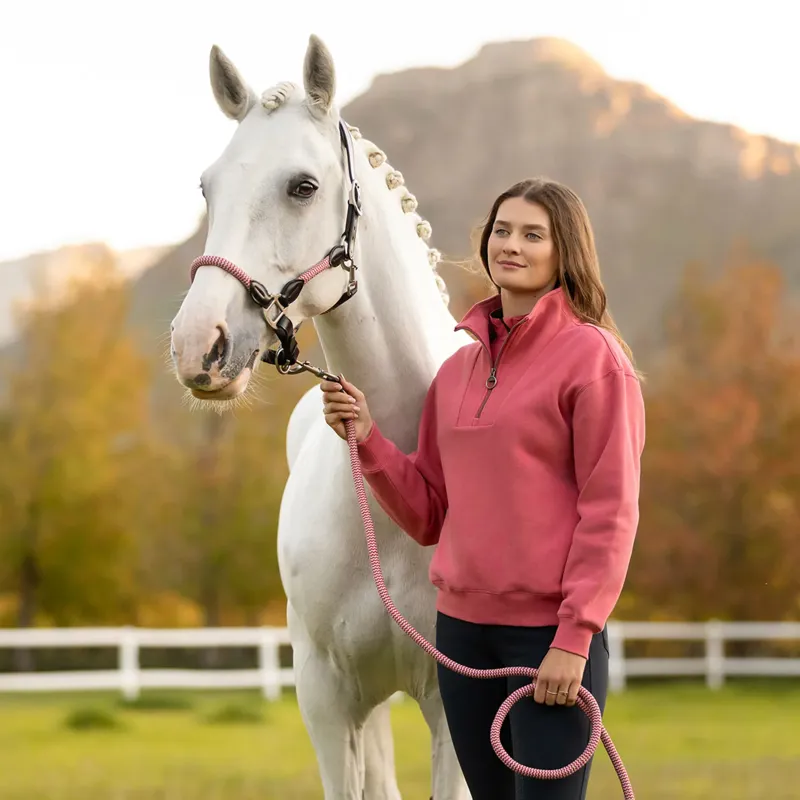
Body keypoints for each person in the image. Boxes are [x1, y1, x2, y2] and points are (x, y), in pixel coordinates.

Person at [319, 177, 646, 800]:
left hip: (546, 641)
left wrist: (574, 639)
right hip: (462, 637)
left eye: (532, 234)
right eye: (501, 231)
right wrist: (368, 439)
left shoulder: (595, 361)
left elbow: (611, 514)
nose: (511, 246)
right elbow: (428, 514)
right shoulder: (456, 372)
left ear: (564, 252)